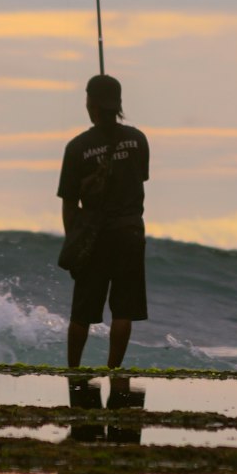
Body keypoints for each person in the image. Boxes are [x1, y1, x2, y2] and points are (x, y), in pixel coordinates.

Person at [57, 73, 149, 369]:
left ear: (91, 104)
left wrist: (74, 243)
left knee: (82, 312)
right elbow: (141, 178)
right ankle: (113, 369)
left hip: (95, 236)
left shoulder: (77, 148)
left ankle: (73, 369)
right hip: (131, 233)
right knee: (123, 310)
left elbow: (70, 203)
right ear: (118, 104)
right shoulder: (137, 140)